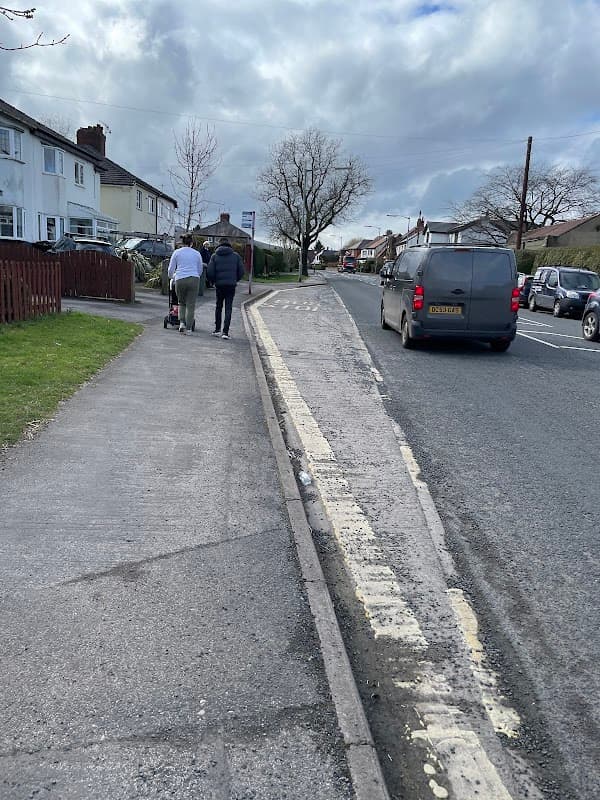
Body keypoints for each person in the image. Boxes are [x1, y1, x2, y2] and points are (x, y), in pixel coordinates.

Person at [206, 238, 245, 340]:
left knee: (218, 306)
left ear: (219, 245)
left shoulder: (214, 256)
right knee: (228, 307)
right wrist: (235, 279)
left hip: (219, 285)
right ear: (229, 245)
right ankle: (225, 332)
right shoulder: (236, 256)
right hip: (231, 286)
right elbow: (241, 271)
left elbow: (210, 272)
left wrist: (213, 281)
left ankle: (217, 330)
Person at [167, 234, 203, 335]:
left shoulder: (177, 253)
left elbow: (170, 270)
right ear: (192, 243)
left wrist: (173, 277)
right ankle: (189, 329)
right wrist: (196, 275)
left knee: (181, 302)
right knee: (190, 305)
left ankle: (182, 323)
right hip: (194, 278)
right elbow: (200, 270)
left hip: (180, 278)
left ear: (182, 243)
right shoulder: (197, 254)